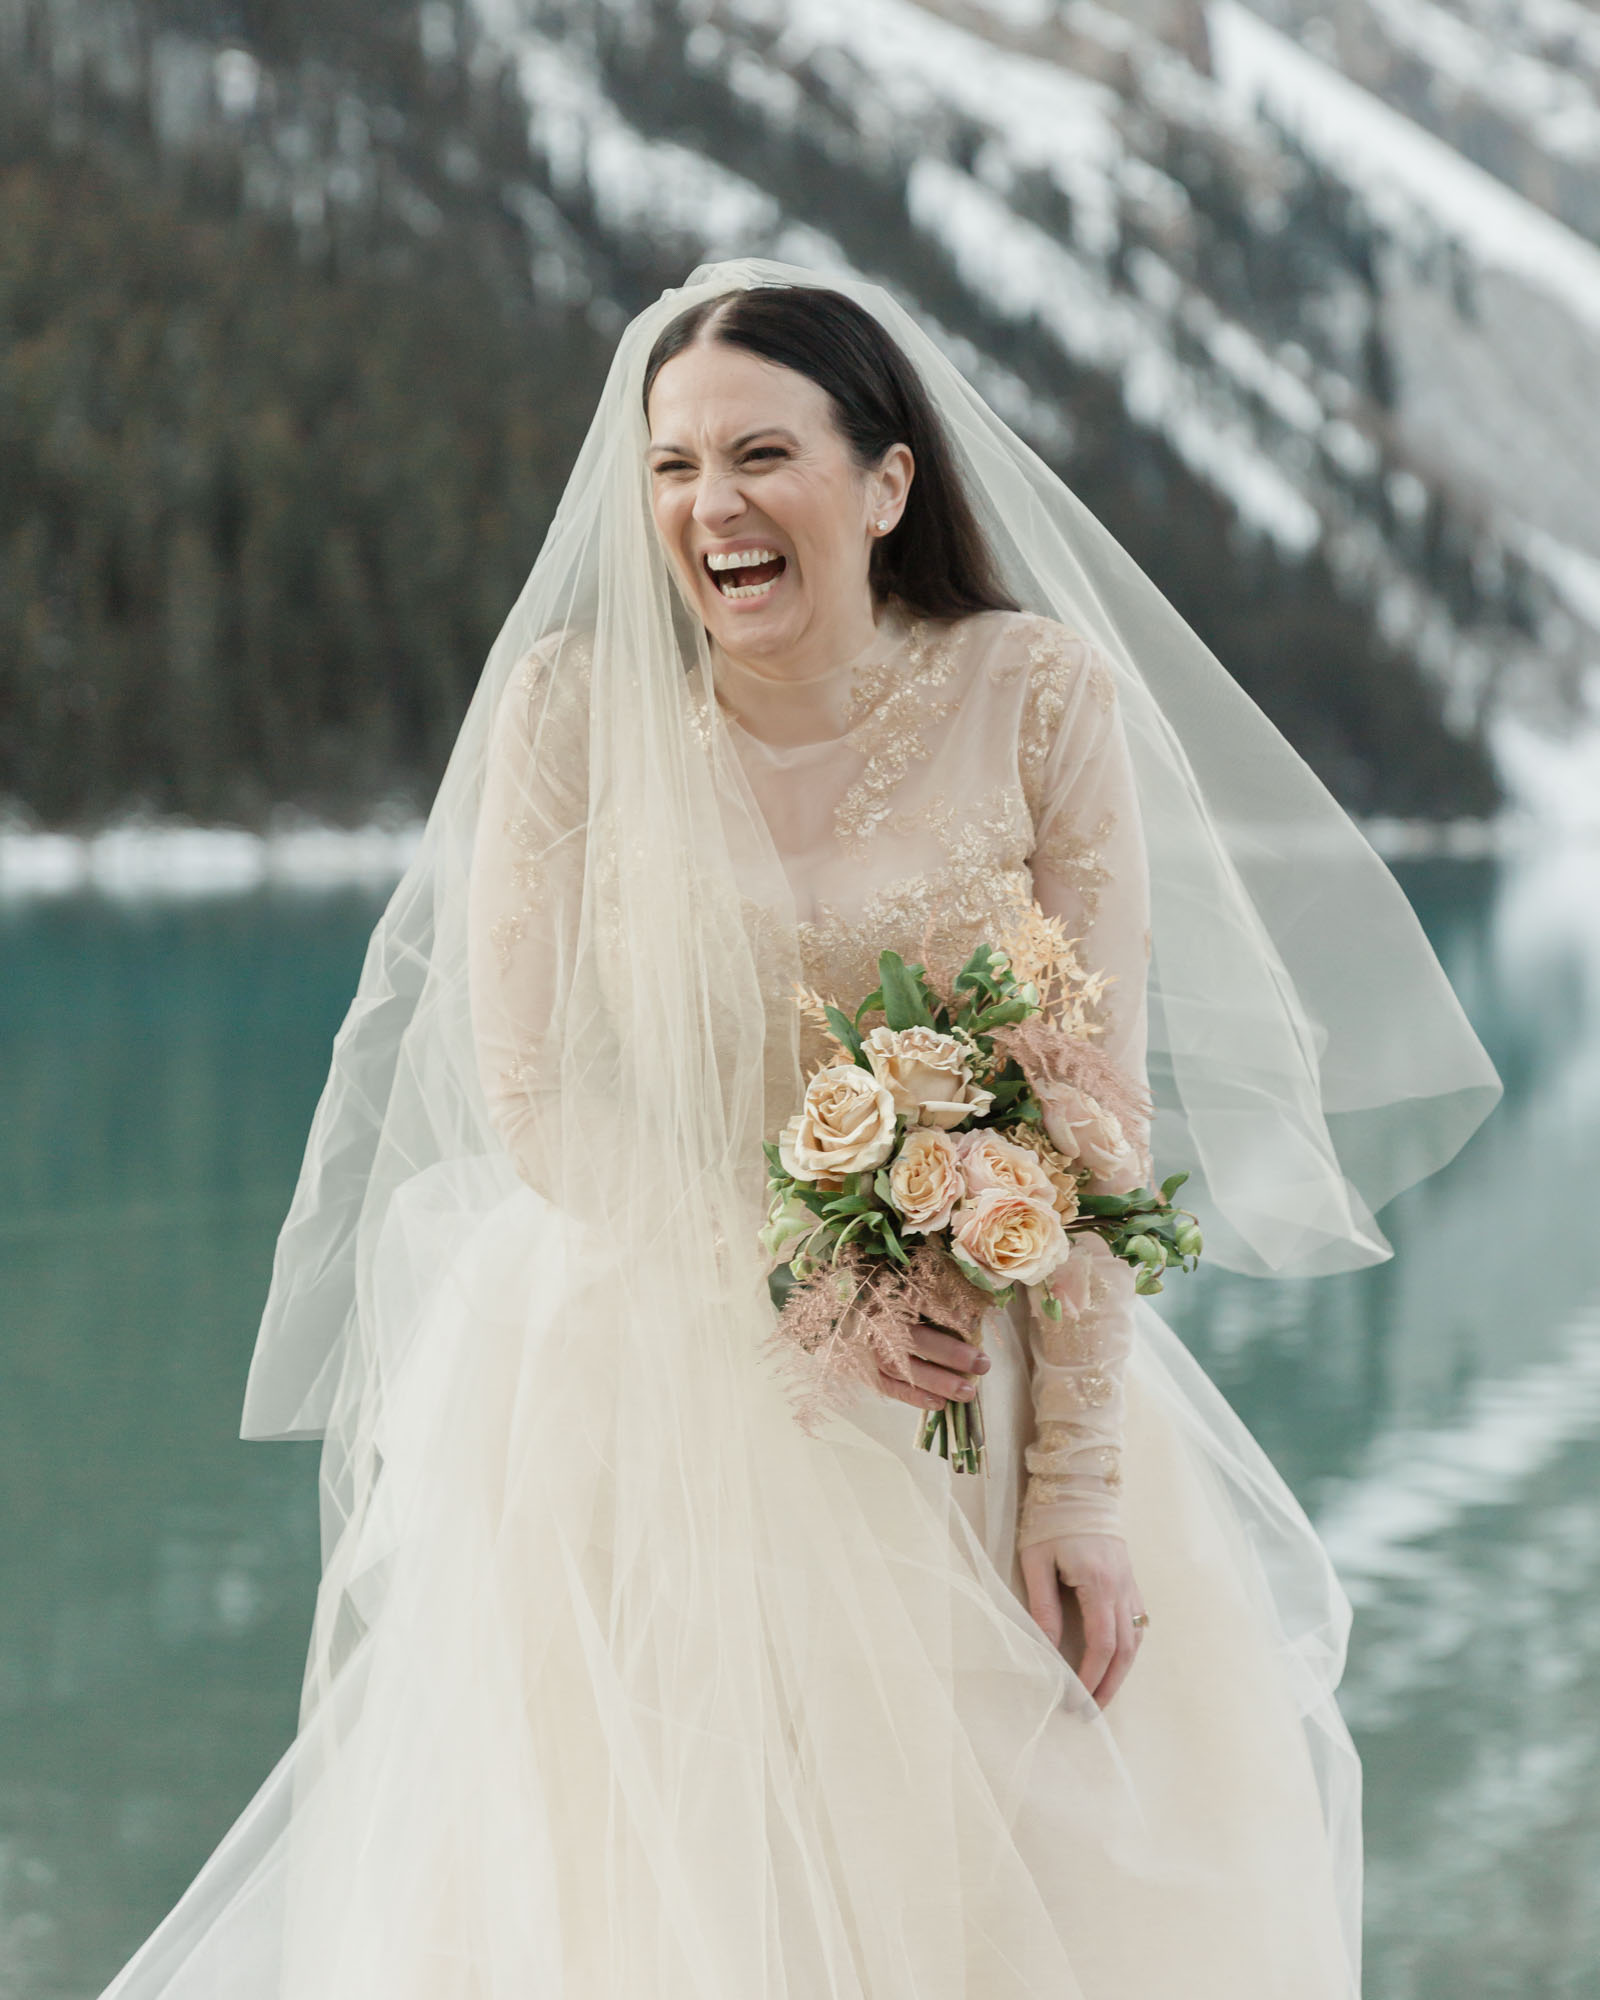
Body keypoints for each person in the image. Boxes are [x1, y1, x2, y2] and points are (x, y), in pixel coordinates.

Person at [99, 261, 1500, 1999]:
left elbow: (1090, 1104)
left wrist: (1075, 1482)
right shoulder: (572, 714)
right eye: (674, 466)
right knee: (662, 1916)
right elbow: (531, 1088)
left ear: (889, 482)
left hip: (965, 1392)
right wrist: (788, 1273)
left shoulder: (1036, 695)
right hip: (640, 1401)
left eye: (762, 454)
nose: (712, 506)